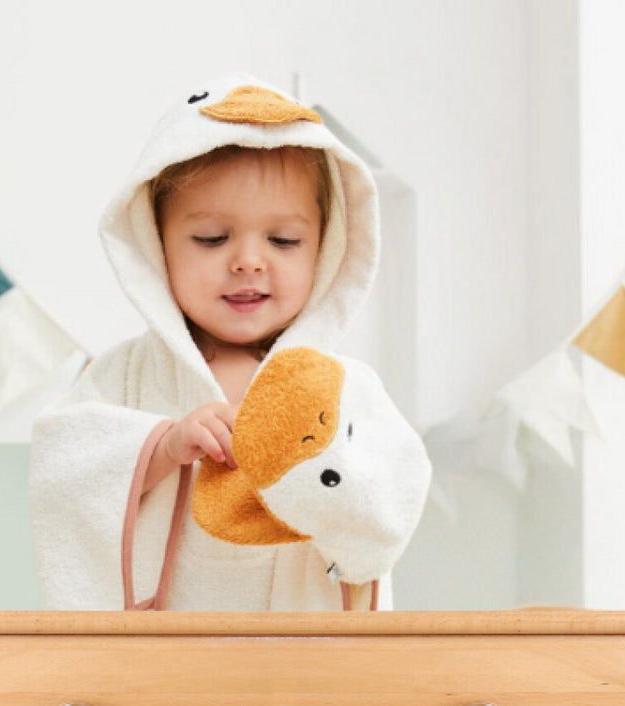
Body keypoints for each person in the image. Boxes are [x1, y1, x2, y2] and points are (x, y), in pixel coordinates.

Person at [29, 74, 395, 611]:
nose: (248, 261)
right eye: (211, 238)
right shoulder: (125, 374)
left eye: (283, 240)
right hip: (163, 646)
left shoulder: (345, 389)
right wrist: (162, 446)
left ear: (324, 247)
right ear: (156, 245)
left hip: (300, 644)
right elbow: (65, 471)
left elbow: (387, 504)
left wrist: (322, 470)